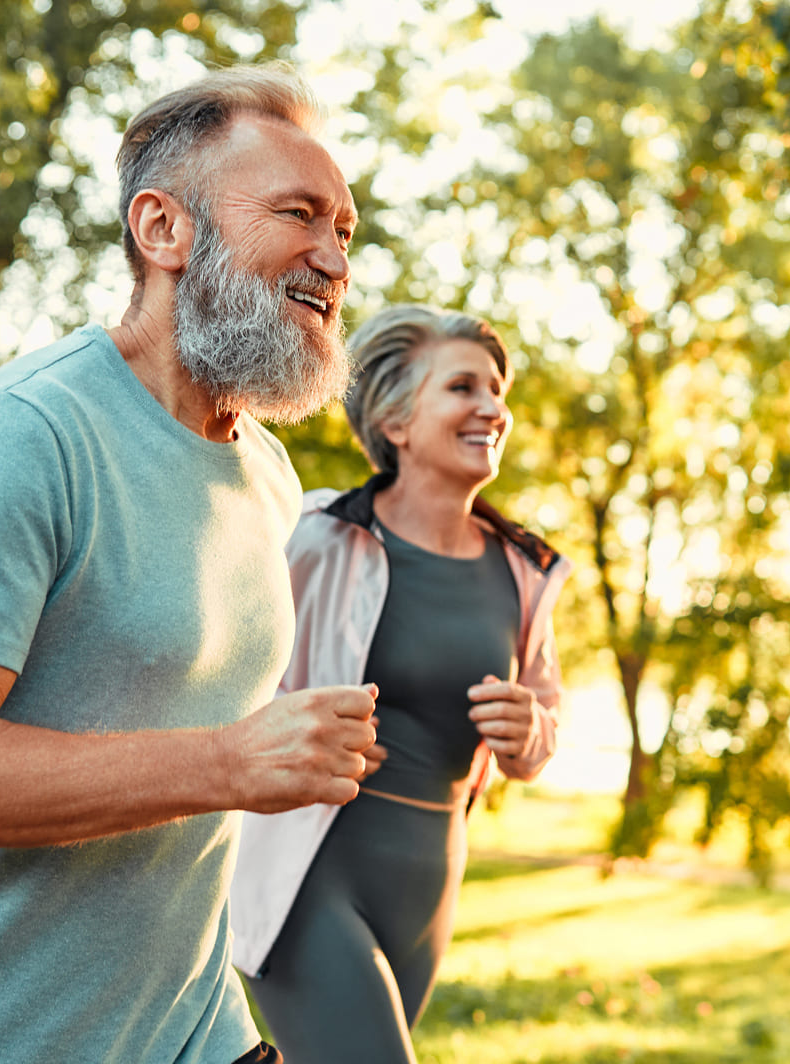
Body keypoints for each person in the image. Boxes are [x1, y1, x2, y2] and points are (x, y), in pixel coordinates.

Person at [0, 64, 378, 1064]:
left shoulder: (264, 472)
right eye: (297, 214)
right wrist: (232, 761)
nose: (333, 260)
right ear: (162, 230)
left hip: (194, 1036)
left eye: (345, 231)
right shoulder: (26, 435)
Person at [229, 305, 573, 1063]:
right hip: (310, 868)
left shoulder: (524, 569)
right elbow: (230, 674)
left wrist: (530, 732)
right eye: (462, 388)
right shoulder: (318, 535)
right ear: (396, 422)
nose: (492, 407)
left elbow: (544, 714)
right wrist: (300, 725)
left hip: (429, 875)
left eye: (495, 389)